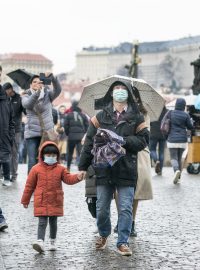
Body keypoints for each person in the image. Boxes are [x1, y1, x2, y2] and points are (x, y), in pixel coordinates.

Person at [78, 81, 149, 256]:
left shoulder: (137, 117)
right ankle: (103, 234)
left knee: (125, 208)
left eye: (123, 89)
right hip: (104, 168)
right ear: (111, 93)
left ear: (128, 95)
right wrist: (82, 166)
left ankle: (122, 242)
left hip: (126, 168)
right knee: (102, 208)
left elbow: (144, 140)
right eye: (116, 89)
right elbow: (88, 141)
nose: (119, 92)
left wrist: (123, 142)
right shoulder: (100, 116)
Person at [21, 141, 85, 253]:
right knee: (42, 222)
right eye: (48, 155)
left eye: (53, 155)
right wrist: (25, 200)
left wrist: (78, 177)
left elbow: (68, 179)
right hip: (42, 200)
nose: (51, 157)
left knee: (53, 222)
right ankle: (40, 241)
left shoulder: (61, 169)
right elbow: (29, 186)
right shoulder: (36, 169)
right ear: (43, 155)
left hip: (55, 199)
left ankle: (52, 241)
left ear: (57, 156)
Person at [21, 73, 61, 173]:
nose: (37, 83)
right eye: (34, 82)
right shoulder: (25, 96)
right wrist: (37, 92)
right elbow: (28, 104)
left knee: (47, 160)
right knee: (32, 160)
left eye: (39, 82)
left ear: (43, 83)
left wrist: (52, 77)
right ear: (30, 85)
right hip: (32, 133)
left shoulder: (48, 95)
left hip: (47, 133)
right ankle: (32, 184)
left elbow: (58, 90)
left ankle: (46, 182)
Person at [167, 98, 193, 184]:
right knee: (179, 158)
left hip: (172, 139)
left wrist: (166, 136)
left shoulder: (170, 113)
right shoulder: (186, 115)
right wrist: (191, 122)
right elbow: (190, 127)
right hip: (182, 140)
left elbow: (163, 125)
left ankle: (176, 170)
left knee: (173, 157)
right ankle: (178, 177)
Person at [3, 82, 25, 181]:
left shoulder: (19, 98)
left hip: (16, 130)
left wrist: (24, 99)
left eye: (6, 90)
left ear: (11, 89)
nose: (5, 92)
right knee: (4, 151)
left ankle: (14, 174)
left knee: (14, 152)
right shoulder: (4, 99)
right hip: (5, 129)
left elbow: (25, 111)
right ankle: (3, 173)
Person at [0, 66, 15, 187]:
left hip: (4, 136)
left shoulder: (6, 98)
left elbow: (11, 120)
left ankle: (6, 177)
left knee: (5, 159)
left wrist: (11, 134)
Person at [64, 101, 89, 171]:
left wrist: (68, 133)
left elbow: (65, 126)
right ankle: (81, 168)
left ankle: (68, 167)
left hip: (71, 137)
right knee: (80, 153)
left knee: (70, 152)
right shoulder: (83, 115)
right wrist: (84, 134)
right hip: (80, 137)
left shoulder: (68, 115)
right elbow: (87, 126)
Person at [150, 107, 168, 175]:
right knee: (161, 152)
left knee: (152, 149)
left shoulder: (153, 111)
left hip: (153, 134)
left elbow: (150, 123)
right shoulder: (167, 112)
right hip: (163, 134)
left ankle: (156, 160)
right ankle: (160, 170)